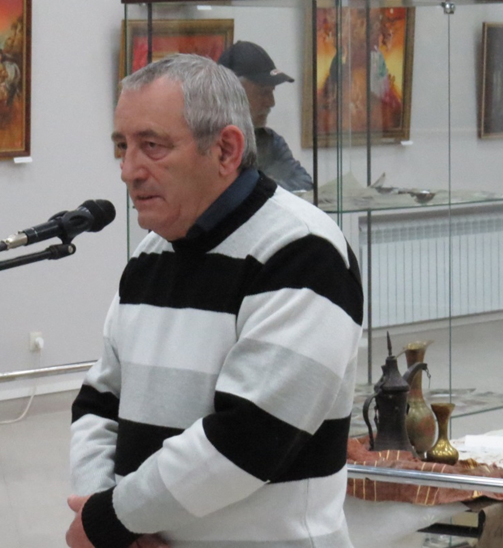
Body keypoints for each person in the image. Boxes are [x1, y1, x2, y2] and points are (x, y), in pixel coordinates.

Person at [67, 54, 364, 548]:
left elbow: (250, 438)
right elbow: (100, 403)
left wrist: (110, 520)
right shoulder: (151, 254)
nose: (128, 171)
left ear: (226, 149)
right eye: (122, 146)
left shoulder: (302, 252)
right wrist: (108, 518)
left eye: (152, 146)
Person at [218, 41, 313, 192]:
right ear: (233, 94)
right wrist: (267, 185)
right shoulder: (207, 144)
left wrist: (264, 186)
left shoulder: (270, 142)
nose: (271, 102)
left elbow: (305, 183)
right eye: (263, 92)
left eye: (271, 92)